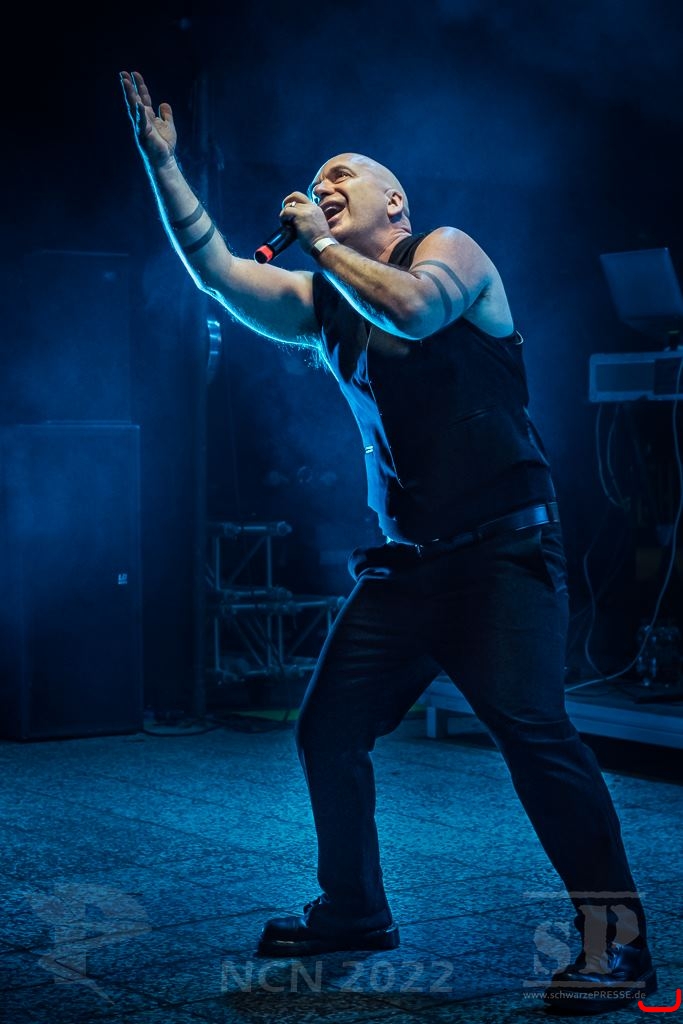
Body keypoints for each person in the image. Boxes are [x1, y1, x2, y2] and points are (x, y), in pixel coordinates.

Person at [120, 70, 657, 1013]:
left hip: (501, 556)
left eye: (341, 176)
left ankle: (619, 947)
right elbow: (217, 273)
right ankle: (354, 910)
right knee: (328, 728)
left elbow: (412, 309)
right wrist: (163, 166)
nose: (321, 186)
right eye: (314, 182)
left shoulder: (448, 249)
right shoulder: (323, 296)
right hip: (407, 566)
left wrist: (323, 243)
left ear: (393, 200)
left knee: (536, 738)